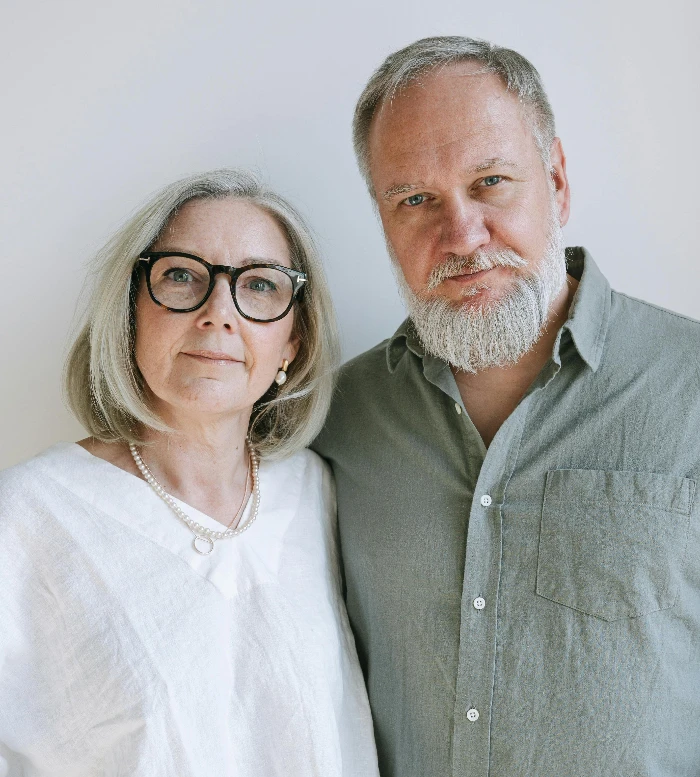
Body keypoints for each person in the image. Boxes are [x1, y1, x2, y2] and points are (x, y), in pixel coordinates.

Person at [313, 36, 700, 776]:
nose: (461, 235)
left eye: (490, 181)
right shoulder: (335, 420)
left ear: (556, 181)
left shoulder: (692, 386)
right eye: (415, 199)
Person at [0, 169, 379, 777]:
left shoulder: (318, 493)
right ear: (131, 312)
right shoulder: (27, 518)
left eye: (260, 286)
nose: (218, 314)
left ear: (292, 343)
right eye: (181, 275)